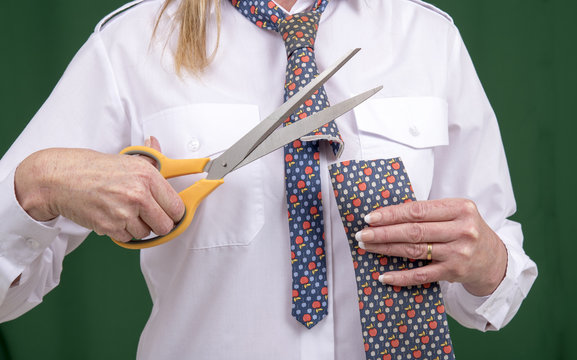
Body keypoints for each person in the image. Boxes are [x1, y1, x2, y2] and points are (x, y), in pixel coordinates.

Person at [0, 0, 537, 358]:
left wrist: (489, 261)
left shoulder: (427, 35)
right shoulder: (130, 45)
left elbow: (490, 291)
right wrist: (36, 186)